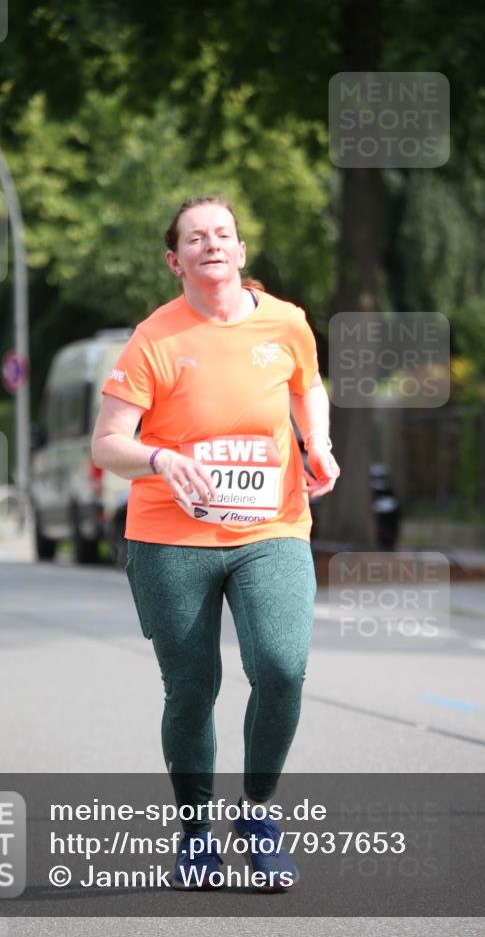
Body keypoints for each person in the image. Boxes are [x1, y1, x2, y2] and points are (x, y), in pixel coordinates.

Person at [91, 195, 340, 891]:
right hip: (171, 536)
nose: (211, 244)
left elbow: (306, 387)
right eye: (195, 238)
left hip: (272, 526)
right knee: (192, 687)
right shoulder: (153, 339)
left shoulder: (286, 322)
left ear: (238, 250)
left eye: (222, 234)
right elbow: (107, 442)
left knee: (282, 667)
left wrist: (315, 442)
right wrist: (160, 459)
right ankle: (196, 833)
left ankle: (256, 813)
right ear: (175, 260)